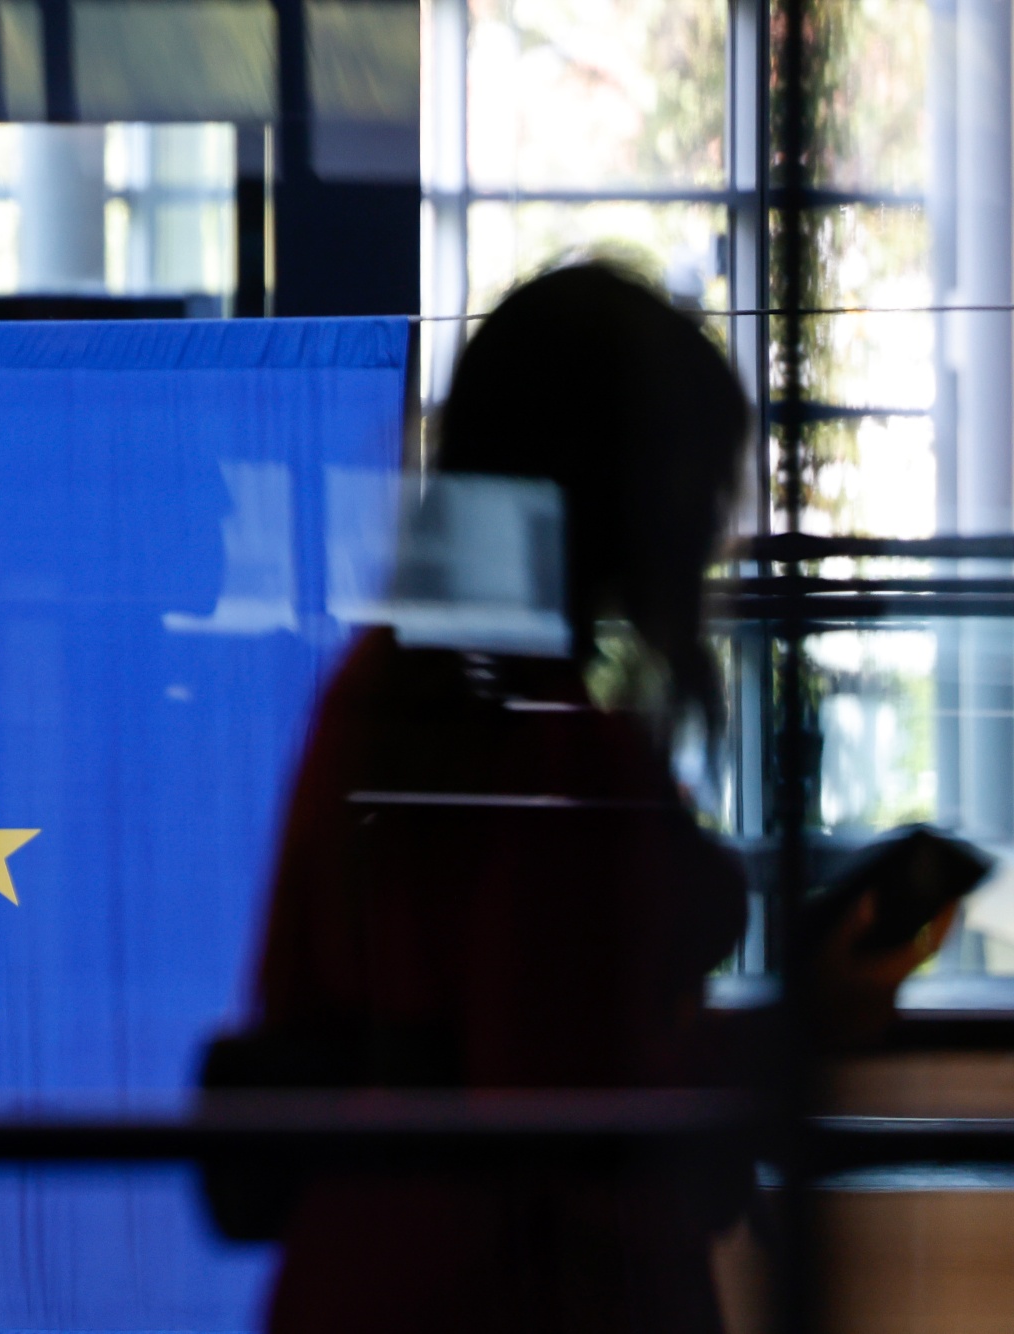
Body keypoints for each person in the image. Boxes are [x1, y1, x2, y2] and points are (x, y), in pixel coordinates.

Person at [247, 263, 952, 1333]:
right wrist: (798, 1027)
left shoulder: (377, 695)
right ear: (631, 495)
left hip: (360, 1279)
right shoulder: (552, 753)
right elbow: (590, 1126)